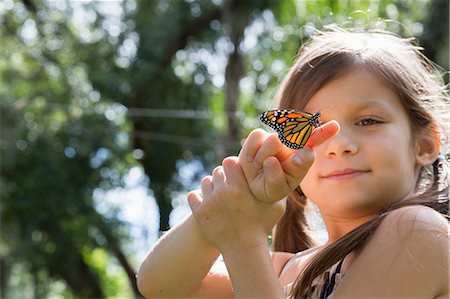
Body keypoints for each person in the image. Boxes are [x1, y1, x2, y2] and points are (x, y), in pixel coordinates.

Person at [137, 27, 449, 298]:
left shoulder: (417, 233)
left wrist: (244, 239)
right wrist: (241, 200)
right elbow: (161, 285)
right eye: (316, 130)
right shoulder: (284, 267)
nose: (339, 145)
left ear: (425, 144)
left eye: (368, 121)